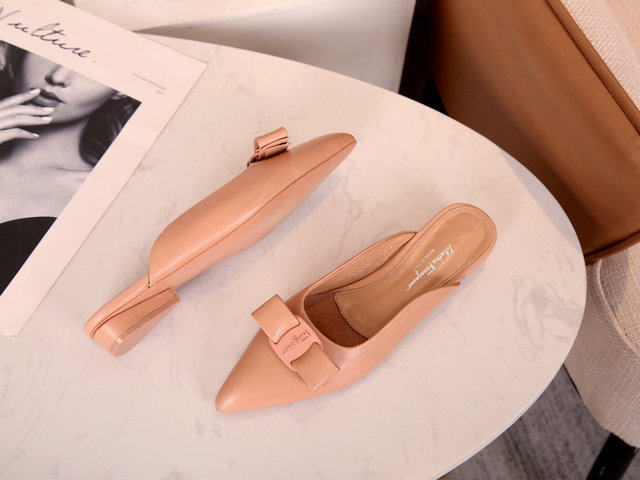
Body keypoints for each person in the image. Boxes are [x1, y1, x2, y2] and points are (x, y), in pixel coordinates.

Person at [0, 42, 140, 293]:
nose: (58, 77)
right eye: (53, 51)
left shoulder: (106, 201)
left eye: (93, 66)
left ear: (120, 90)